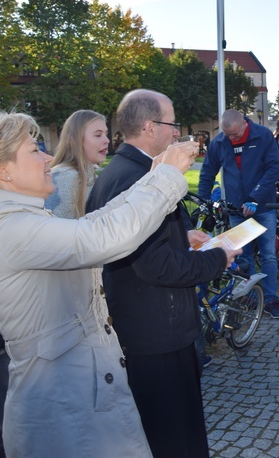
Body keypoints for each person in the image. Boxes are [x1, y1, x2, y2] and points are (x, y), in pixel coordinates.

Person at [0, 112, 202, 456]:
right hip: (63, 413)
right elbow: (102, 237)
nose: (48, 158)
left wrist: (151, 179)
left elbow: (97, 220)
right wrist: (167, 175)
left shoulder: (25, 219)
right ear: (3, 171)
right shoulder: (12, 229)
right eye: (34, 150)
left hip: (76, 400)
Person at [86, 89, 238, 457]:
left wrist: (182, 234)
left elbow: (141, 242)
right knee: (172, 439)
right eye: (172, 125)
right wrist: (218, 258)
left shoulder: (129, 170)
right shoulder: (134, 178)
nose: (177, 134)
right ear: (150, 126)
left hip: (150, 327)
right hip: (156, 335)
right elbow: (155, 265)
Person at [198, 109, 279, 319]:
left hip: (263, 207)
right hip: (237, 209)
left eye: (235, 135)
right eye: (227, 135)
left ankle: (271, 300)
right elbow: (208, 172)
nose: (231, 139)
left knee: (268, 255)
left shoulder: (263, 135)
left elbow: (273, 169)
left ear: (245, 124)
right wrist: (202, 201)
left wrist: (255, 197)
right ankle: (249, 300)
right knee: (243, 257)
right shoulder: (219, 143)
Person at [45, 110, 109, 218]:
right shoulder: (65, 178)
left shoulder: (87, 175)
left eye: (106, 134)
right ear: (74, 140)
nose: (107, 140)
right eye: (98, 135)